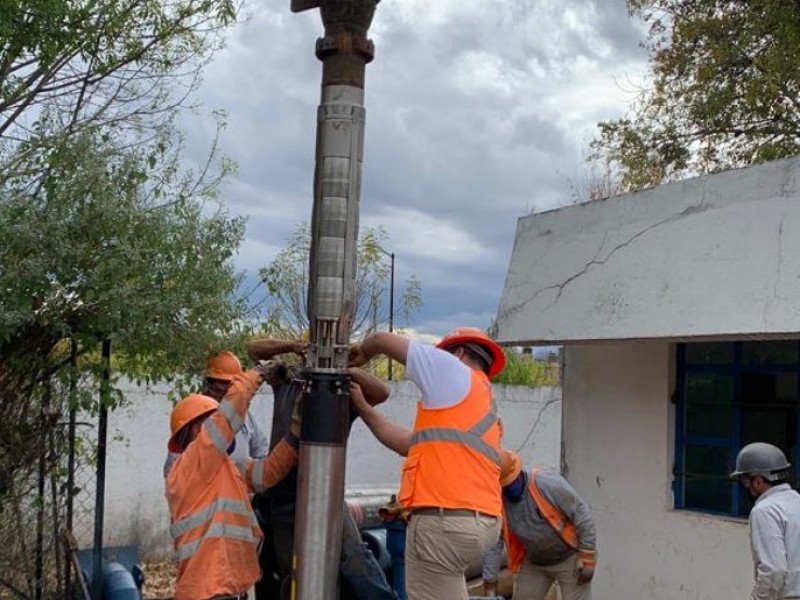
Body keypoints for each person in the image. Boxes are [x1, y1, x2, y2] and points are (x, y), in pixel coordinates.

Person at [348, 327, 506, 600]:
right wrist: (363, 407)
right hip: (481, 524)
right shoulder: (480, 403)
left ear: (458, 353)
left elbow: (380, 339)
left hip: (444, 523)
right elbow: (406, 444)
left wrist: (358, 356)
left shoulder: (452, 370)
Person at [246, 338, 397, 600]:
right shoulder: (287, 381)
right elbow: (253, 350)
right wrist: (293, 345)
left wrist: (339, 367)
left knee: (358, 561)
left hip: (327, 499)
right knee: (292, 573)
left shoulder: (341, 393)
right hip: (284, 500)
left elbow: (382, 392)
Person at [165, 365, 300, 600]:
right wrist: (259, 372)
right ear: (198, 428)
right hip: (208, 589)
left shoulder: (220, 468)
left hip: (224, 586)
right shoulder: (192, 463)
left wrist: (295, 432)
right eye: (211, 421)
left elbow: (267, 473)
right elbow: (230, 413)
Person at [498, 450, 596, 600]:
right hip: (536, 562)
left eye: (512, 483)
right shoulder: (498, 500)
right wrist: (490, 581)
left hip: (569, 557)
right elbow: (495, 542)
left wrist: (588, 557)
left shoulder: (548, 484)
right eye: (505, 486)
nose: (510, 489)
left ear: (519, 473)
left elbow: (582, 514)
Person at [163, 350, 269, 477]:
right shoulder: (195, 415)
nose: (226, 388)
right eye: (222, 382)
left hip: (240, 492)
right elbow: (172, 470)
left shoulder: (245, 416)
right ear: (210, 382)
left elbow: (262, 452)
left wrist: (249, 482)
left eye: (230, 383)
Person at [730, 442, 800, 600]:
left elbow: (774, 569)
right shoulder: (797, 501)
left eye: (745, 481)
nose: (746, 487)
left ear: (759, 481)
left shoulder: (764, 510)